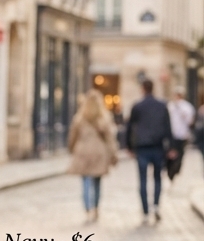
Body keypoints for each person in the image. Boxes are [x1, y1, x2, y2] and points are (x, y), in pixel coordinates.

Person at [67, 90, 118, 221]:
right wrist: (113, 153)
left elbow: (73, 136)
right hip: (98, 153)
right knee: (97, 182)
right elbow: (110, 138)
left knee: (85, 181)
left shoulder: (79, 118)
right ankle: (95, 207)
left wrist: (71, 148)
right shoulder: (104, 119)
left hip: (83, 151)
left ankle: (87, 207)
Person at [126, 78, 171, 223]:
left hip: (142, 147)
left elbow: (129, 127)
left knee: (143, 180)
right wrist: (170, 147)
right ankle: (156, 205)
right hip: (158, 147)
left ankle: (145, 210)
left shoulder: (138, 106)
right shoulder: (162, 105)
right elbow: (168, 128)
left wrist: (129, 146)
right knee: (158, 178)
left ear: (143, 89)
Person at [166, 86, 196, 181]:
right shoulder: (170, 105)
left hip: (182, 134)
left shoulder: (187, 107)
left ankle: (175, 170)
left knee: (179, 154)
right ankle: (170, 171)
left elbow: (190, 122)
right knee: (170, 154)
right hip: (172, 134)